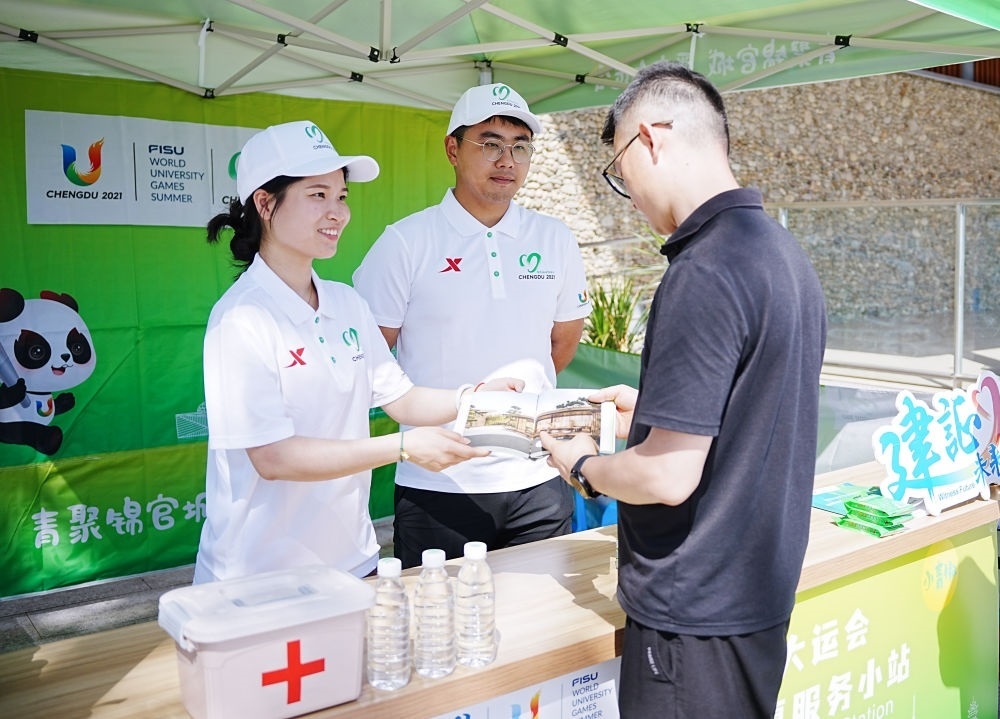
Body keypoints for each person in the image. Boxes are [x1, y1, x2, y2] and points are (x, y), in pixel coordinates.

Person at [540, 62, 827, 718]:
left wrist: (582, 465)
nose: (628, 196)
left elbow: (667, 475)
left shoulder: (703, 269)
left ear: (649, 138)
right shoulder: (782, 254)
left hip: (691, 616)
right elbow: (755, 409)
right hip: (753, 598)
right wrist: (652, 412)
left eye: (620, 172)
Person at [194, 120, 522, 584]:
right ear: (265, 204)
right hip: (259, 577)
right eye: (317, 195)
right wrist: (402, 447)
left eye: (342, 196)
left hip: (353, 562)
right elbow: (273, 458)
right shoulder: (241, 318)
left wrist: (473, 398)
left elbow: (401, 399)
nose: (337, 213)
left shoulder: (345, 303)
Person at [352, 83, 592, 567]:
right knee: (439, 614)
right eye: (490, 143)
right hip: (440, 481)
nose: (507, 160)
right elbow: (371, 360)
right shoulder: (406, 241)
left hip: (539, 476)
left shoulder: (554, 237)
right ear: (452, 149)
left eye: (520, 147)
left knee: (541, 612)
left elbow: (562, 341)